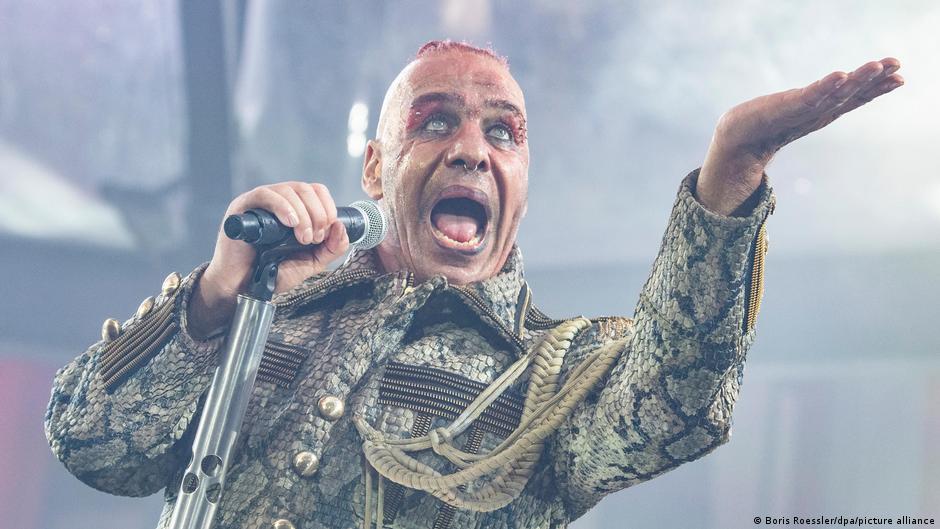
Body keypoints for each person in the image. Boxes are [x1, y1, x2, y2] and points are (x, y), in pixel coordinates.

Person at [44, 40, 903, 529]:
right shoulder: (259, 312)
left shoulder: (551, 377)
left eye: (503, 132)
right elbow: (91, 445)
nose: (470, 150)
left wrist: (731, 174)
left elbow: (675, 406)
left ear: (521, 181)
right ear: (375, 168)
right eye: (436, 123)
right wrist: (216, 295)